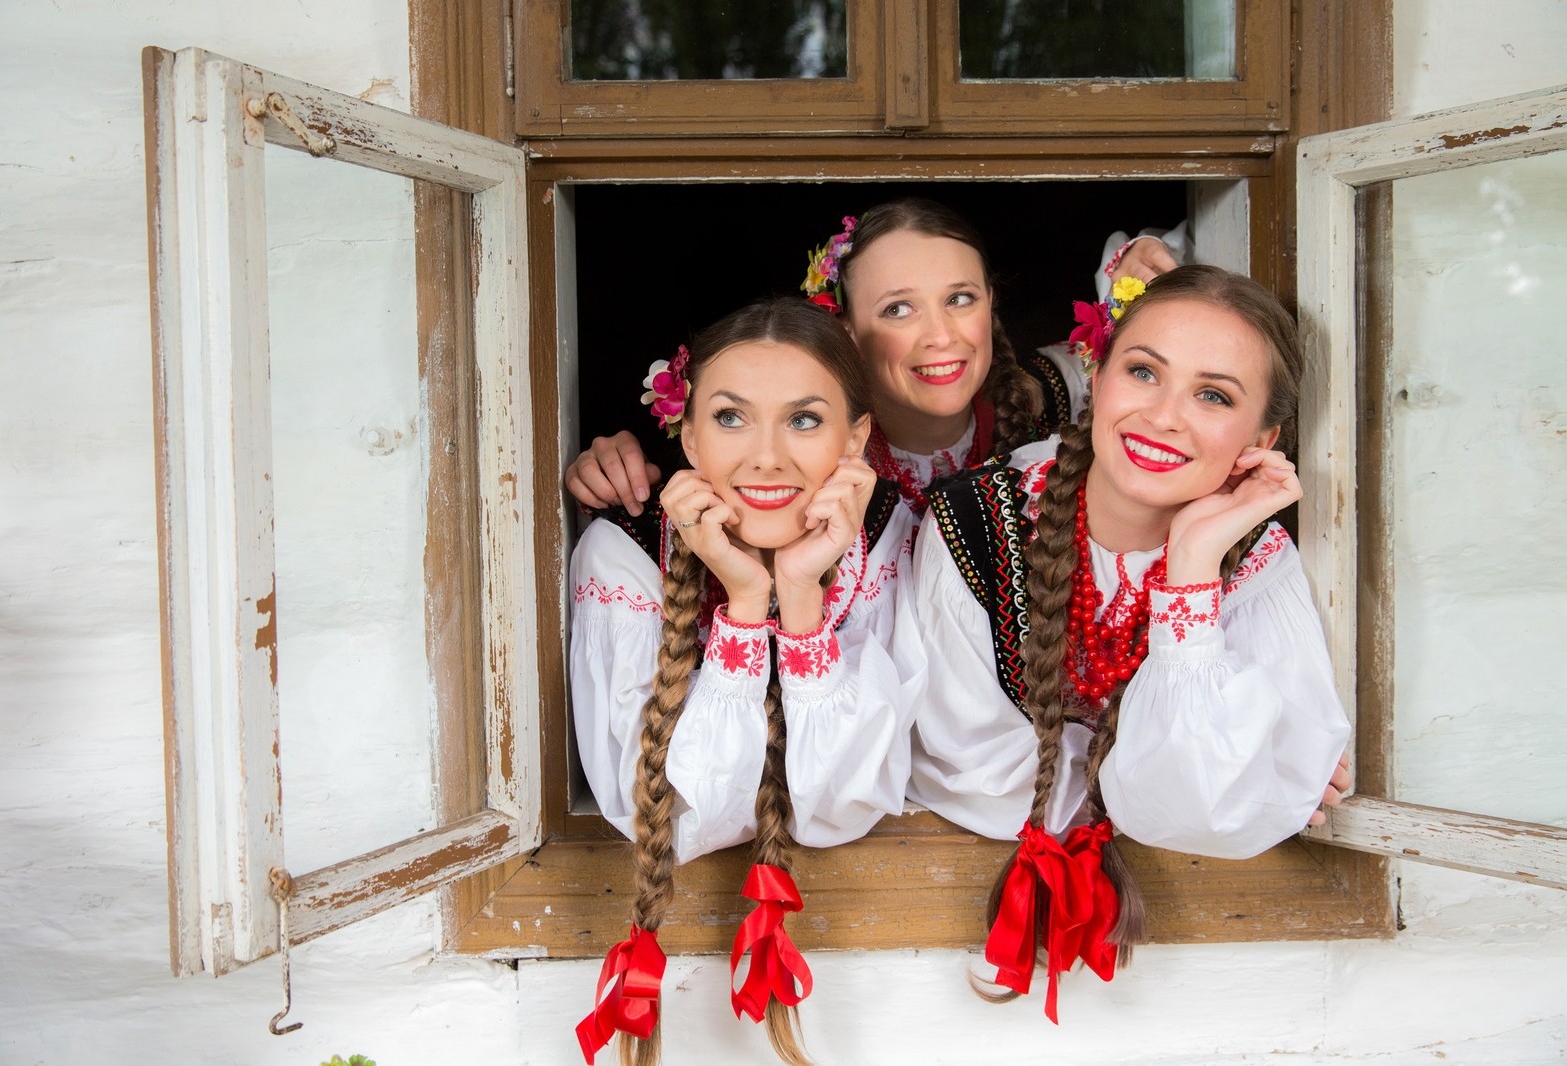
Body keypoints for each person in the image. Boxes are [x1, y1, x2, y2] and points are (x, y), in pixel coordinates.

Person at [898, 265, 1353, 1021]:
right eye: (1143, 372)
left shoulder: (1254, 556)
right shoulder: (977, 520)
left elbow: (1208, 808)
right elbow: (969, 774)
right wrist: (1233, 766)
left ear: (1261, 440)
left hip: (1194, 1000)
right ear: (1099, 374)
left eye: (1214, 396)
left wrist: (1192, 569)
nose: (1165, 416)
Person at [571, 298, 913, 1066]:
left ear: (855, 439)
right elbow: (678, 818)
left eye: (804, 420)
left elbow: (840, 806)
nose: (766, 458)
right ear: (689, 436)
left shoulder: (887, 539)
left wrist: (800, 596)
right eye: (731, 418)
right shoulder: (620, 554)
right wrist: (745, 603)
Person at [565, 198, 1064, 526]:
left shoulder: (1058, 410)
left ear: (991, 301)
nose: (940, 335)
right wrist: (612, 476)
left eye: (960, 299)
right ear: (846, 329)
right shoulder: (799, 454)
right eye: (897, 309)